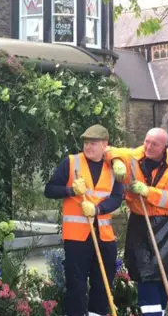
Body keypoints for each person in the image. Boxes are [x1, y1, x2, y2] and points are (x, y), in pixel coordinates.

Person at [106, 128, 168, 316]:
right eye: (146, 141)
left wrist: (149, 192)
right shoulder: (132, 157)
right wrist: (116, 161)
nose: (149, 147)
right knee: (145, 276)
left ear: (165, 147)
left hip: (164, 228)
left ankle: (158, 312)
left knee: (162, 278)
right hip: (139, 223)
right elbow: (107, 149)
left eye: (155, 144)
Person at [44, 124, 124, 316]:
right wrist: (71, 190)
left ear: (105, 145)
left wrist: (97, 209)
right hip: (77, 238)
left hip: (104, 237)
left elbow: (117, 197)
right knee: (76, 286)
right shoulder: (71, 162)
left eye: (93, 143)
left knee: (102, 285)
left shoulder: (114, 166)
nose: (88, 146)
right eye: (86, 143)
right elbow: (49, 190)